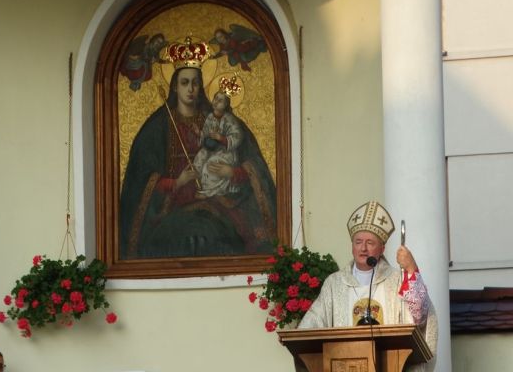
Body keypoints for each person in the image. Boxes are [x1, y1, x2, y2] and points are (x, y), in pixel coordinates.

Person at [119, 36, 276, 259]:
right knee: (184, 234)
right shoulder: (158, 127)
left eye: (195, 82)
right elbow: (140, 181)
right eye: (184, 82)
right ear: (174, 86)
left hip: (219, 204)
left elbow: (253, 166)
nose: (191, 89)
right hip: (172, 209)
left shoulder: (222, 121)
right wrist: (177, 182)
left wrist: (232, 172)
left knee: (214, 233)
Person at [297, 200, 438, 371]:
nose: (363, 248)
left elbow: (421, 315)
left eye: (370, 243)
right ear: (352, 246)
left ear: (382, 248)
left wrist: (411, 269)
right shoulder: (334, 284)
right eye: (358, 242)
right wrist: (295, 337)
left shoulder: (397, 280)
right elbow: (314, 321)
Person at [193, 76, 243, 199]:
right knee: (199, 160)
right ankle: (201, 186)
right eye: (215, 98)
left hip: (226, 152)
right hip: (212, 149)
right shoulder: (210, 117)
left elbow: (237, 137)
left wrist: (221, 138)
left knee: (211, 166)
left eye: (220, 100)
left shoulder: (229, 119)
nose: (216, 102)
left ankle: (209, 192)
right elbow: (205, 133)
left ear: (226, 104)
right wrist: (199, 133)